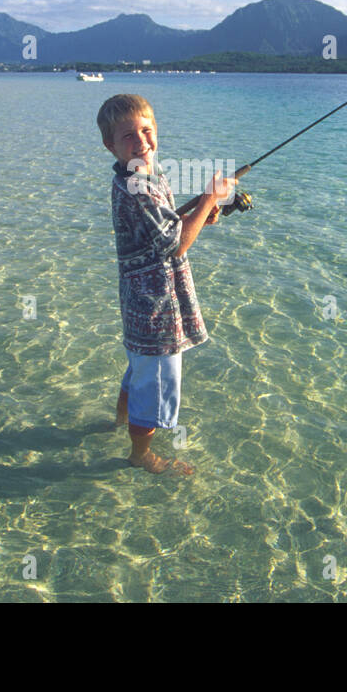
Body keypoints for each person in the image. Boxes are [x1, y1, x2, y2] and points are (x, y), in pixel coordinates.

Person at [97, 94, 237, 475]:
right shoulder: (139, 187)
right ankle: (141, 454)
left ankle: (121, 421)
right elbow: (176, 245)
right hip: (156, 306)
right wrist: (209, 198)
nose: (141, 141)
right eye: (128, 136)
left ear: (156, 131)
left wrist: (198, 215)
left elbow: (166, 230)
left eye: (147, 130)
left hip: (138, 301)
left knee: (139, 369)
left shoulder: (140, 176)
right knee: (157, 381)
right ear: (110, 144)